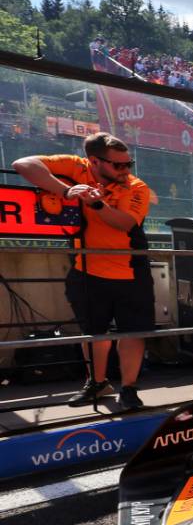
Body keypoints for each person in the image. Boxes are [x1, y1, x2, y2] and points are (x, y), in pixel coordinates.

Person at [13, 132, 155, 410]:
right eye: (118, 165)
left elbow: (125, 223)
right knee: (93, 333)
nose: (126, 171)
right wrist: (66, 190)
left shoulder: (137, 187)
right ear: (95, 161)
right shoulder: (75, 166)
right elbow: (23, 163)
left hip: (130, 271)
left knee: (133, 333)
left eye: (129, 164)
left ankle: (129, 388)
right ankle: (97, 383)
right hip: (86, 268)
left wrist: (97, 204)